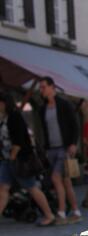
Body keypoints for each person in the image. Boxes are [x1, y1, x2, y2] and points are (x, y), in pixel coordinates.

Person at [0, 93, 55, 226]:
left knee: (31, 187)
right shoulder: (4, 118)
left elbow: (19, 141)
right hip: (7, 159)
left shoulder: (14, 116)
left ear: (4, 103)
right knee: (3, 188)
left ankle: (49, 215)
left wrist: (12, 157)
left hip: (19, 160)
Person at [38, 76, 81, 224]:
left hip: (64, 147)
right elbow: (43, 129)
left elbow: (75, 125)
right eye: (40, 87)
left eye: (43, 87)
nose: (41, 90)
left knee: (56, 178)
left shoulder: (64, 104)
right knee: (65, 181)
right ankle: (76, 211)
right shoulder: (43, 108)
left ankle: (61, 213)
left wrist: (73, 144)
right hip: (51, 149)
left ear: (52, 87)